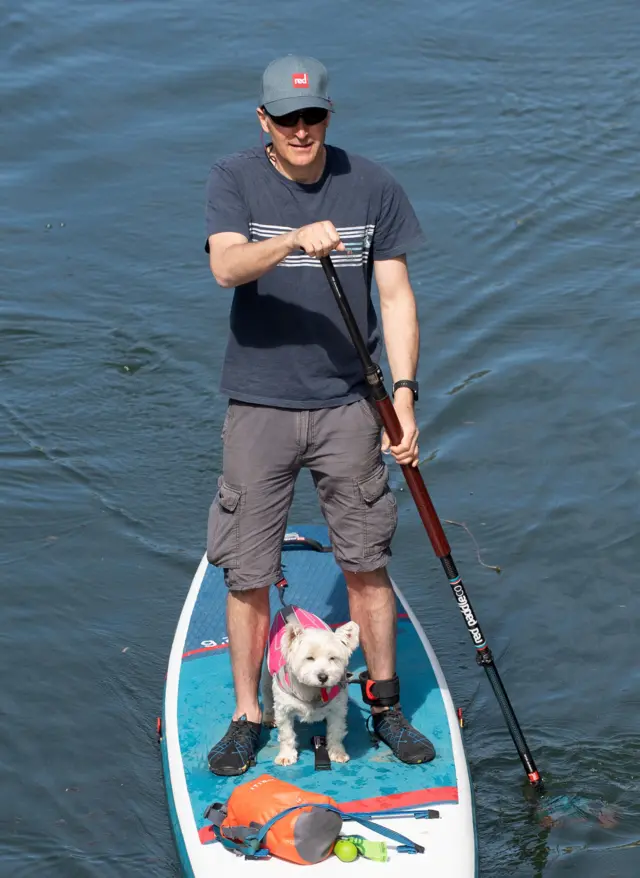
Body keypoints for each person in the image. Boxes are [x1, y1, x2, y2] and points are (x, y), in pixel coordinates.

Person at [204, 54, 436, 776]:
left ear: (328, 116)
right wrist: (290, 241)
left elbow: (395, 297)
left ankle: (386, 703)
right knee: (247, 569)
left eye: (314, 117)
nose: (301, 130)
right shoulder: (234, 179)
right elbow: (226, 267)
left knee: (367, 560)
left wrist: (403, 394)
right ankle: (249, 715)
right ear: (263, 120)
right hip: (261, 404)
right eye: (287, 118)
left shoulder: (372, 185)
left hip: (350, 406)